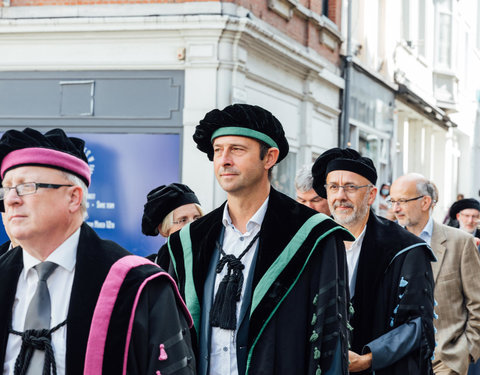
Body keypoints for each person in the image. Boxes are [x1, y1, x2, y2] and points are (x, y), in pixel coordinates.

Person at [167, 104, 353, 375]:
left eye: (237, 149)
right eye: (218, 150)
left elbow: (330, 339)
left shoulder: (314, 236)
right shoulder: (190, 240)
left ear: (270, 158)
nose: (224, 160)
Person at [0, 128, 195, 375]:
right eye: (7, 188)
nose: (12, 200)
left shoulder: (139, 286)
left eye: (27, 186)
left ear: (73, 197)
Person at [311, 148, 436, 375]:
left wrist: (369, 358)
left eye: (350, 187)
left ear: (371, 195)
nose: (340, 196)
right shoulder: (312, 243)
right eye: (333, 187)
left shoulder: (405, 249)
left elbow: (418, 325)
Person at [390, 174, 480, 375]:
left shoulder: (460, 243)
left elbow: (477, 304)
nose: (395, 208)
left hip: (445, 361)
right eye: (393, 201)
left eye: (402, 201)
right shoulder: (386, 243)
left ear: (425, 202)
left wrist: (465, 353)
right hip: (396, 361)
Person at [142, 183, 203, 269]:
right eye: (183, 220)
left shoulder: (215, 258)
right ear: (164, 230)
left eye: (197, 218)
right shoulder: (150, 269)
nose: (193, 225)